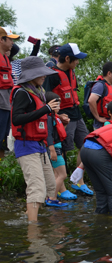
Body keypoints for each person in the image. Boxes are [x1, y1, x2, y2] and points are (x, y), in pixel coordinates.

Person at [11, 57, 69, 222]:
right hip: (26, 145)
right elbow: (16, 119)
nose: (44, 76)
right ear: (30, 75)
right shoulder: (22, 93)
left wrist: (58, 117)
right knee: (36, 188)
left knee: (50, 186)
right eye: (41, 73)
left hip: (39, 146)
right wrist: (46, 109)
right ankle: (33, 231)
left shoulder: (39, 92)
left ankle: (28, 218)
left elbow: (41, 117)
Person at [42, 42, 93, 196]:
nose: (78, 62)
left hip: (76, 114)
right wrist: (57, 116)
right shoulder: (50, 75)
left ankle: (78, 181)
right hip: (61, 117)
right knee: (61, 150)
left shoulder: (71, 72)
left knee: (86, 144)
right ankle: (60, 188)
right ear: (66, 58)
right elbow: (45, 99)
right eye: (75, 59)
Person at [44, 91, 76, 201]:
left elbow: (58, 134)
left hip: (57, 148)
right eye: (56, 104)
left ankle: (51, 196)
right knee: (62, 175)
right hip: (54, 149)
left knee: (57, 175)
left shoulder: (54, 117)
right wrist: (52, 149)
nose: (59, 106)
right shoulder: (49, 118)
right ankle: (52, 198)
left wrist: (65, 124)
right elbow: (48, 134)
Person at [0, 27, 19, 159]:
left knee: (2, 141)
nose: (13, 43)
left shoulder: (6, 58)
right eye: (10, 40)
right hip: (1, 105)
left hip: (6, 105)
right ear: (1, 39)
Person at [88, 61, 112, 130]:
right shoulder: (100, 85)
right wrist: (98, 118)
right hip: (102, 125)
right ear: (109, 73)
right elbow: (91, 100)